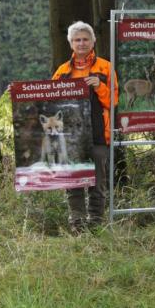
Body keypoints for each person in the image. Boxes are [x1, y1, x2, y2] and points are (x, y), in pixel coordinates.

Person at [51, 21, 119, 233]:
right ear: (70, 43)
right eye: (77, 40)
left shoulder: (106, 68)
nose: (81, 43)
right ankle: (77, 224)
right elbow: (50, 102)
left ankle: (96, 223)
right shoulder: (62, 71)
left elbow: (114, 102)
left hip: (99, 136)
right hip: (72, 138)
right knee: (74, 182)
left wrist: (100, 86)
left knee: (97, 183)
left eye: (85, 39)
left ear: (93, 41)